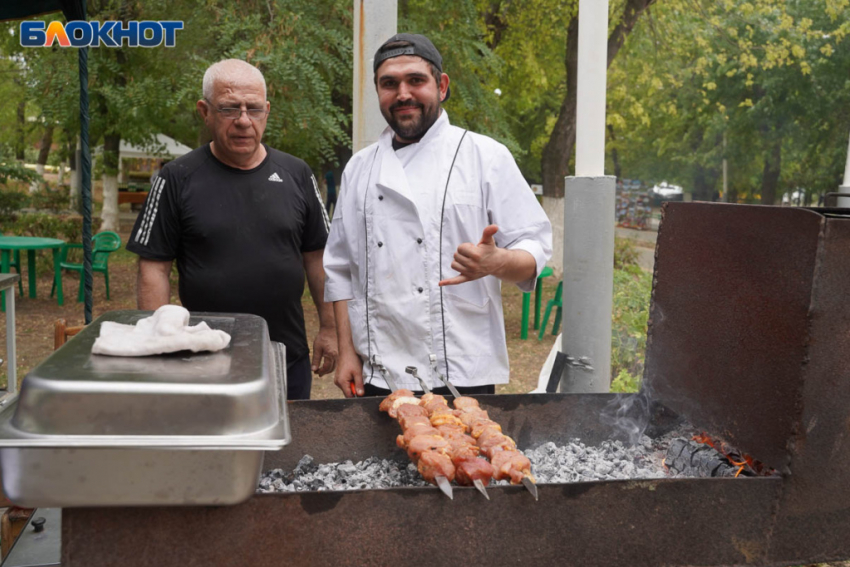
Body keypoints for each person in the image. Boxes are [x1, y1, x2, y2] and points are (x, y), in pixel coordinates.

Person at [323, 34, 552, 398]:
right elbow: (338, 267)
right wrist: (347, 350)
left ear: (441, 86)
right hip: (378, 370)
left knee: (462, 454)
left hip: (460, 366)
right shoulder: (359, 168)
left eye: (416, 80)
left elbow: (535, 249)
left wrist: (497, 260)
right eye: (389, 84)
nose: (402, 94)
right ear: (378, 92)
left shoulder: (484, 156)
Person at [126, 59, 336, 400]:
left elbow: (319, 259)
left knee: (289, 449)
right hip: (204, 357)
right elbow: (154, 267)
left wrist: (330, 328)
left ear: (266, 111)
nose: (243, 120)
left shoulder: (296, 174)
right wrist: (159, 344)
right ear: (204, 111)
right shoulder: (177, 178)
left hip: (285, 355)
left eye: (253, 109)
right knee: (212, 451)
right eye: (229, 109)